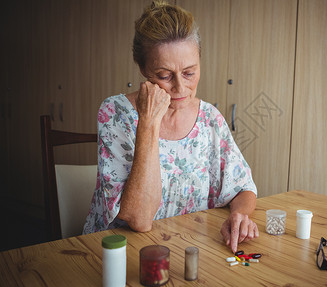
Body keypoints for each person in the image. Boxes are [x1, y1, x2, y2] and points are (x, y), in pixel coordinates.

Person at [83, 1, 258, 253]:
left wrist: (239, 215)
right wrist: (149, 121)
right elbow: (140, 220)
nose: (179, 87)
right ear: (143, 68)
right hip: (118, 253)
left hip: (184, 248)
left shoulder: (209, 118)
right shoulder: (114, 113)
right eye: (165, 75)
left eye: (189, 73)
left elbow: (244, 187)